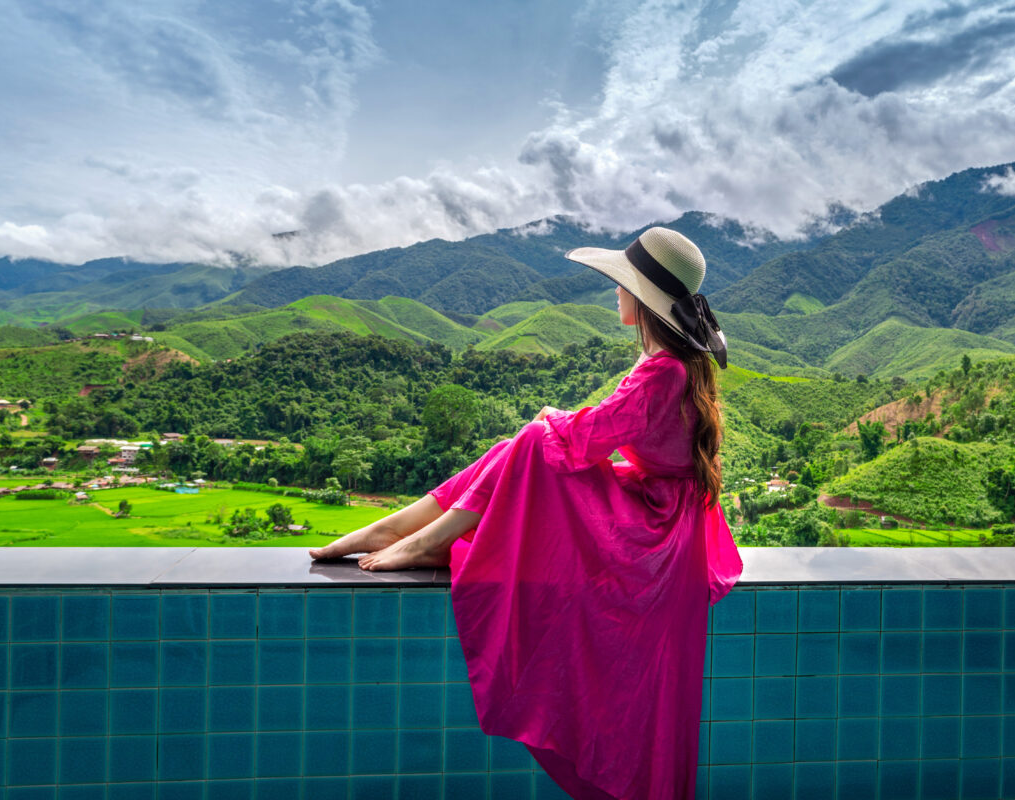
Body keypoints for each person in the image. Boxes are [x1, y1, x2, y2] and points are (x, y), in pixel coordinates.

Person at [310, 226, 744, 799]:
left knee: (536, 441)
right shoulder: (673, 364)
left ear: (644, 301)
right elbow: (600, 434)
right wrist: (552, 423)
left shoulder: (662, 371)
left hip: (654, 530)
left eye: (622, 286)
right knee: (516, 447)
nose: (614, 295)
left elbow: (587, 439)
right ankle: (402, 531)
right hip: (658, 510)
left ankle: (413, 538)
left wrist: (550, 418)